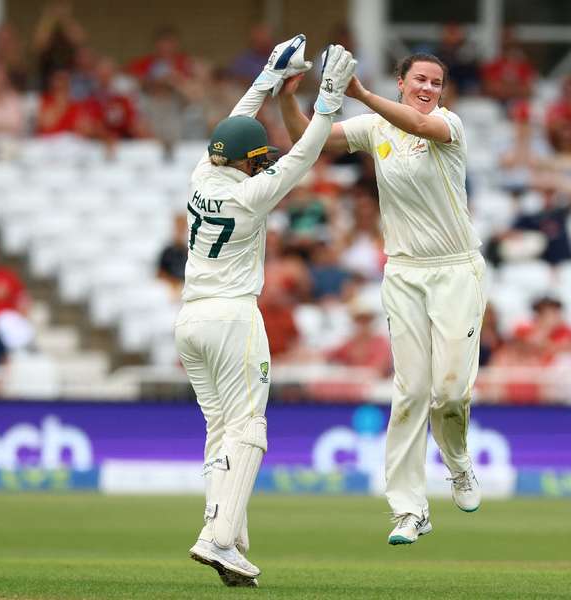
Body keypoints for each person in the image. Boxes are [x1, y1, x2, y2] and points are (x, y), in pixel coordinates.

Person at [279, 52, 486, 545]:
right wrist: (289, 100)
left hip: (456, 269)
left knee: (450, 392)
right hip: (404, 273)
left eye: (436, 82)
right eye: (420, 79)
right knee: (411, 392)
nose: (428, 87)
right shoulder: (375, 127)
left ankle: (458, 465)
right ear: (402, 81)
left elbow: (418, 124)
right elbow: (312, 143)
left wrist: (360, 93)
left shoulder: (446, 123)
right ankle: (409, 510)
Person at [174, 36, 355, 587]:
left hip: (190, 321)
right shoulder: (251, 196)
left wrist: (268, 79)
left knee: (219, 427)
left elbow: (233, 124)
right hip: (233, 317)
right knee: (249, 427)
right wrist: (326, 101)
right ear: (250, 162)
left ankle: (223, 531)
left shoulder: (202, 176)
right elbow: (302, 155)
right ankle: (217, 538)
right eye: (259, 159)